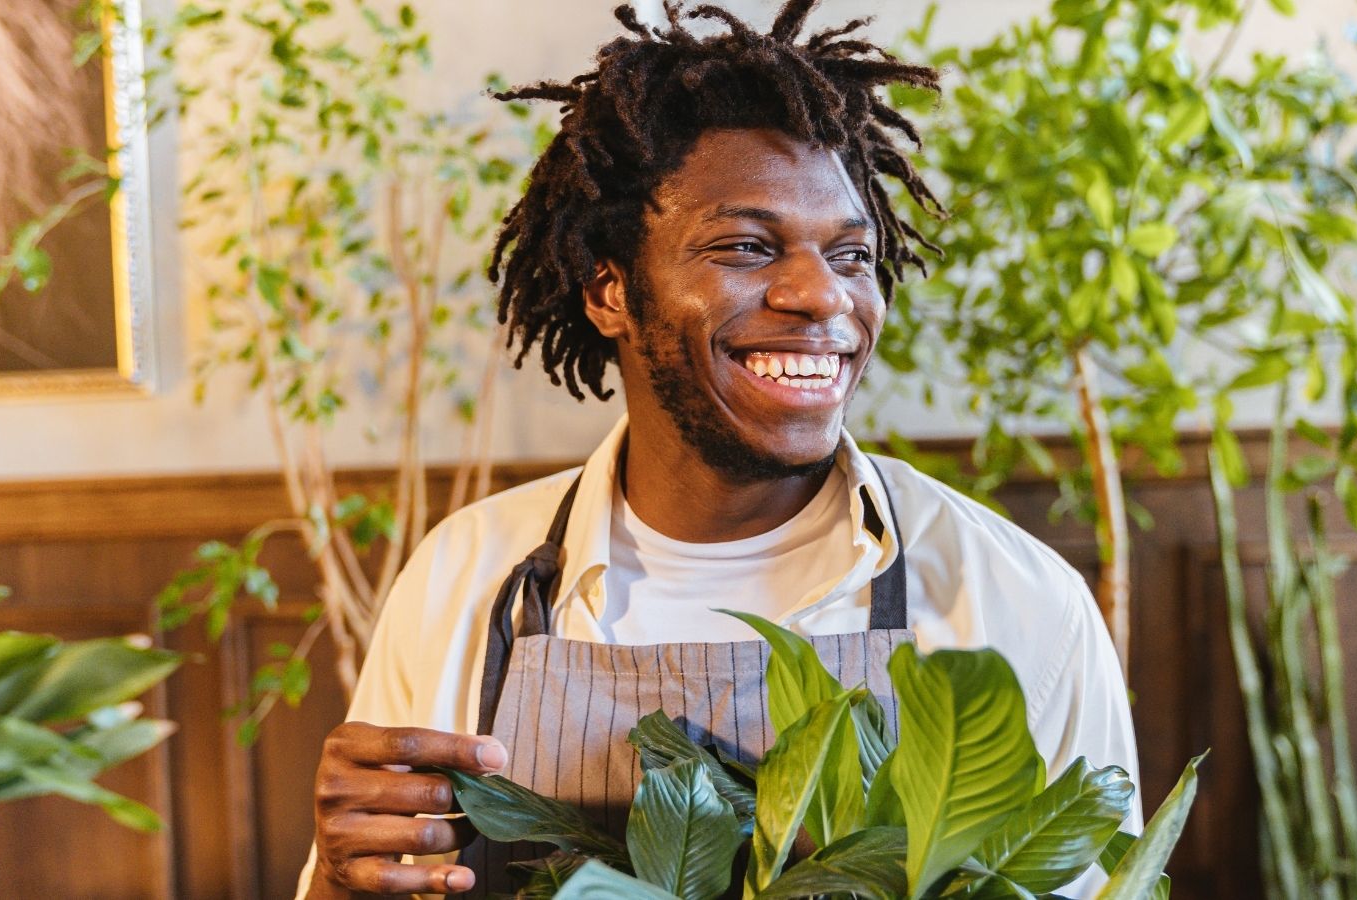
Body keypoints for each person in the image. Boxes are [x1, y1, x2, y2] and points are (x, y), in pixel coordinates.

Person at [298, 1, 1140, 897]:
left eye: (852, 255)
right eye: (746, 246)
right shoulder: (463, 577)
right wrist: (341, 886)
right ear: (610, 291)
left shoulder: (1013, 599)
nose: (822, 295)